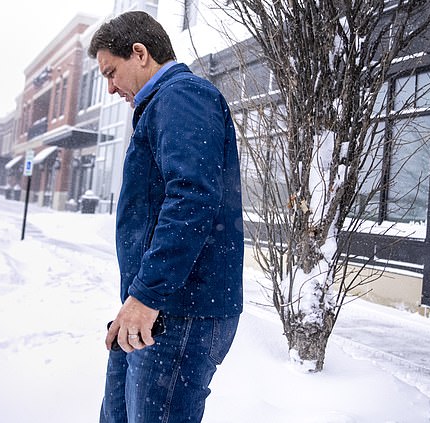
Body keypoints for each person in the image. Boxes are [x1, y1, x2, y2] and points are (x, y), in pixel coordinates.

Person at [89, 11, 244, 423]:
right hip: (153, 309)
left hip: (179, 312)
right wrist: (140, 299)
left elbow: (191, 198)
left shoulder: (183, 96)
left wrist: (148, 296)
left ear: (139, 53)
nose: (110, 88)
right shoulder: (162, 104)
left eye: (111, 72)